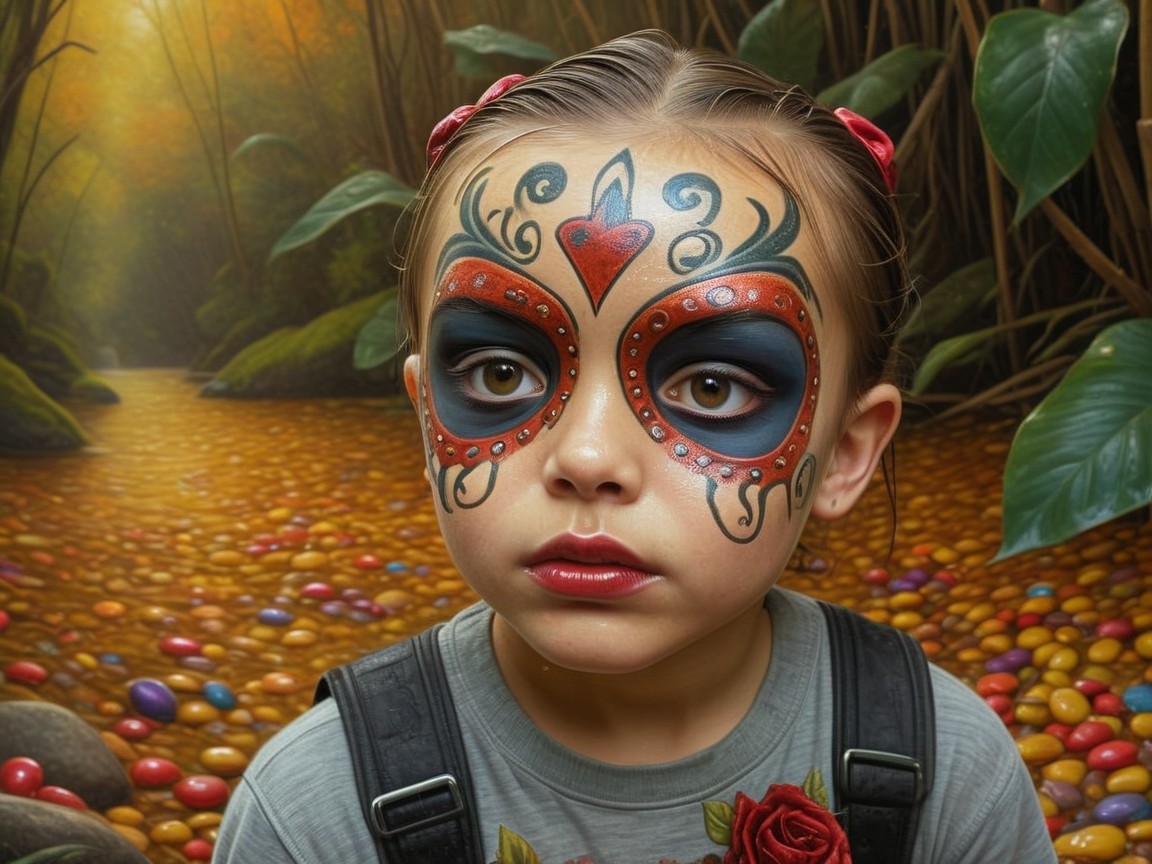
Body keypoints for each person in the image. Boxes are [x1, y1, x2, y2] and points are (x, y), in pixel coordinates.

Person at [214, 29, 1055, 863]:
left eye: (713, 386)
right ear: (426, 416)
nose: (587, 460)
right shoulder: (312, 815)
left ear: (844, 450)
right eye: (502, 374)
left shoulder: (952, 778)